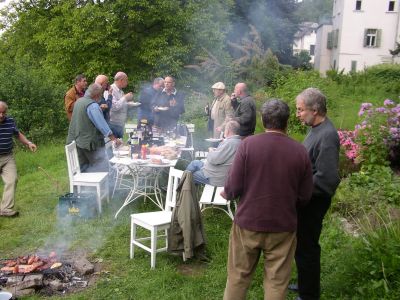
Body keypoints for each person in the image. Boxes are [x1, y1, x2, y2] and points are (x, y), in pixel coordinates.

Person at [221, 99, 313, 300]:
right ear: (287, 122)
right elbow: (305, 196)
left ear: (263, 121)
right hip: (283, 226)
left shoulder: (248, 145)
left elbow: (234, 185)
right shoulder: (300, 151)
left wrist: (226, 193)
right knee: (277, 283)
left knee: (238, 277)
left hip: (248, 224)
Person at [292, 88, 340, 300]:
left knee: (308, 247)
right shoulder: (315, 128)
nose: (297, 114)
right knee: (301, 245)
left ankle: (309, 294)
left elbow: (326, 180)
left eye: (301, 110)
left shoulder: (327, 135)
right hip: (306, 199)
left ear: (315, 109)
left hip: (314, 202)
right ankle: (304, 284)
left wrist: (300, 192)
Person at [67, 83, 121, 172]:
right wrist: (114, 139)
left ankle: (85, 186)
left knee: (85, 170)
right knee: (103, 169)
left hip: (78, 142)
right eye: (100, 95)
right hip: (89, 145)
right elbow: (102, 125)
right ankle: (104, 186)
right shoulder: (93, 106)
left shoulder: (79, 101)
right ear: (97, 95)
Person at [0, 101, 37, 217]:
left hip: (7, 157)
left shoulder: (10, 121)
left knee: (12, 180)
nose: (1, 115)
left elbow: (17, 134)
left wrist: (28, 143)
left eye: (3, 112)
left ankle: (5, 209)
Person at [186, 120, 241, 186]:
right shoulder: (239, 142)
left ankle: (182, 186)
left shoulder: (230, 143)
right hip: (219, 172)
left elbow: (214, 160)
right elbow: (224, 156)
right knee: (195, 163)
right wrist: (216, 150)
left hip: (216, 178)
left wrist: (211, 151)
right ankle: (186, 186)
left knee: (190, 176)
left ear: (228, 131)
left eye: (225, 129)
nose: (224, 131)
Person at [108, 72, 135, 138]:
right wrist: (125, 97)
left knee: (121, 145)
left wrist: (129, 104)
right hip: (113, 124)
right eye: (126, 80)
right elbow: (114, 107)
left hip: (120, 123)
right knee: (115, 146)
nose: (127, 82)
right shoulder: (111, 90)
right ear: (121, 80)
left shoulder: (121, 91)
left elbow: (121, 105)